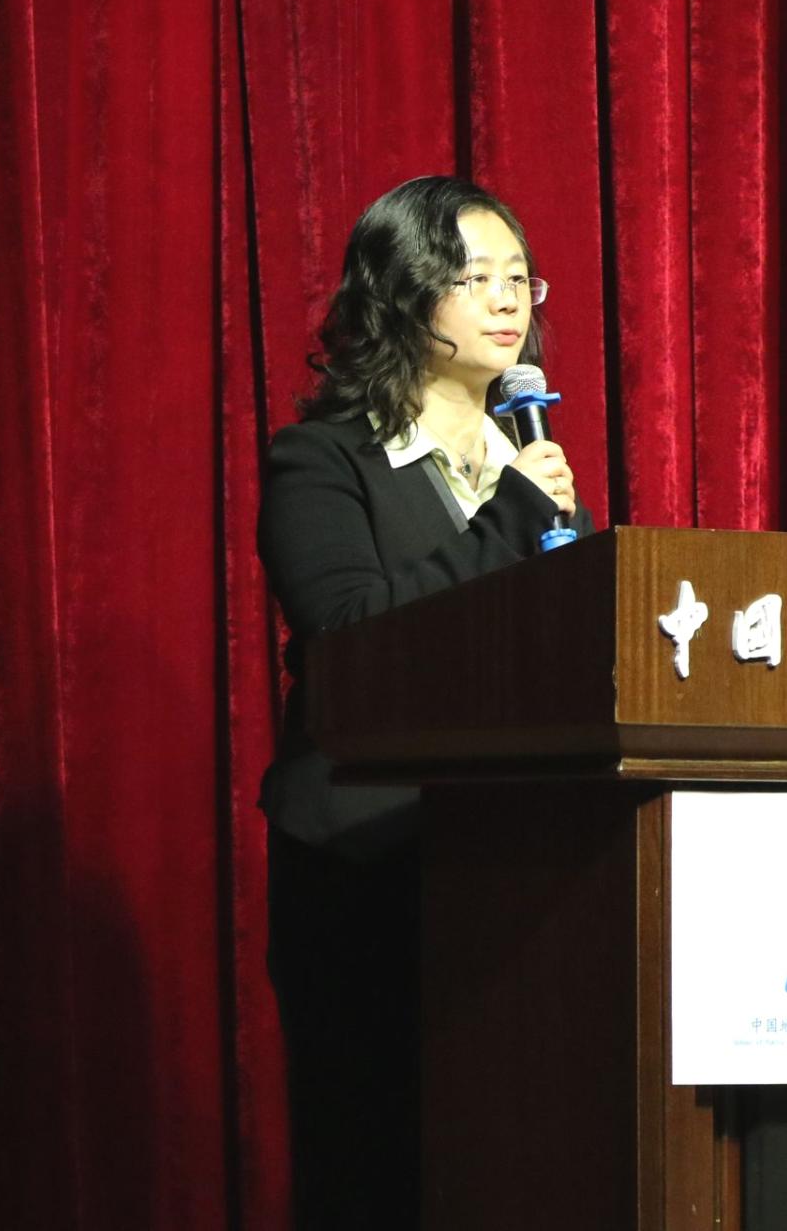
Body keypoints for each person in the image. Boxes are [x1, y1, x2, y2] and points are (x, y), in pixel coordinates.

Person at [257, 175, 592, 1227]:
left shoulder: (527, 464)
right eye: (474, 277)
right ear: (403, 294)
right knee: (377, 1169)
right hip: (366, 869)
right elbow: (353, 636)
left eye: (520, 279)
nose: (508, 300)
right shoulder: (324, 460)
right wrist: (508, 521)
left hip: (518, 867)